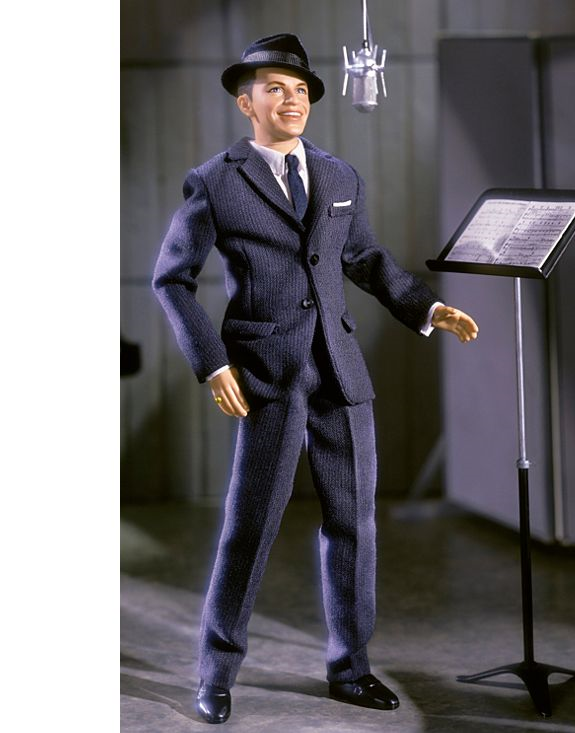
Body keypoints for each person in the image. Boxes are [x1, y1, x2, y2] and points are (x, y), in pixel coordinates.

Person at [152, 32, 479, 725]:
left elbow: (365, 258)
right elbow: (171, 279)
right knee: (250, 526)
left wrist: (426, 308)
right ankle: (215, 671)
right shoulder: (215, 180)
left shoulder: (337, 176)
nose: (291, 99)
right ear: (246, 103)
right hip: (265, 376)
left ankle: (350, 669)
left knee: (353, 525)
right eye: (274, 88)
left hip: (341, 372)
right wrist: (213, 362)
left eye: (299, 89)